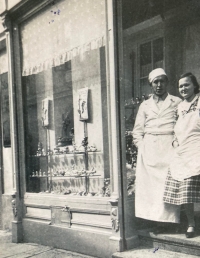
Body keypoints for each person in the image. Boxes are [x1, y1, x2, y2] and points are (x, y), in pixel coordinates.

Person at [133, 68, 181, 230]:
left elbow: (181, 126)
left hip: (169, 147)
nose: (159, 85)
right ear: (151, 85)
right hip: (150, 149)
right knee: (151, 187)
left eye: (162, 81)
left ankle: (170, 222)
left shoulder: (177, 102)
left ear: (167, 82)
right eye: (156, 82)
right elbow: (137, 131)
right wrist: (142, 147)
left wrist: (177, 145)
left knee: (168, 184)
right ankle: (154, 221)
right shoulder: (145, 105)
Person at [163, 72, 200, 238]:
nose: (183, 88)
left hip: (197, 148)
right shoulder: (179, 107)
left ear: (194, 85)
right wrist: (175, 143)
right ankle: (191, 224)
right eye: (180, 86)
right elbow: (176, 130)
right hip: (183, 151)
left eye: (186, 84)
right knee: (186, 191)